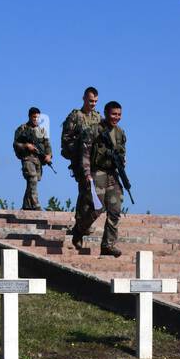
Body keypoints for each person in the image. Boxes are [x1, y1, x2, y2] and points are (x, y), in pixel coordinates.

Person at [72, 101, 127, 256]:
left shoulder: (120, 133)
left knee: (115, 210)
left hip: (112, 174)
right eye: (113, 114)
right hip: (97, 172)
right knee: (96, 209)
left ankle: (108, 245)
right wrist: (87, 174)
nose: (116, 117)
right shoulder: (94, 130)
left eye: (119, 114)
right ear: (106, 113)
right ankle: (79, 229)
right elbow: (85, 154)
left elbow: (121, 153)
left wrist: (122, 161)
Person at [60, 87, 102, 248]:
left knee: (91, 192)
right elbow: (65, 140)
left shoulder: (98, 117)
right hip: (79, 160)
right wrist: (77, 150)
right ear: (84, 98)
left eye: (96, 102)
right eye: (91, 101)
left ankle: (82, 223)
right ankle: (81, 224)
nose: (93, 104)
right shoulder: (75, 116)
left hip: (95, 161)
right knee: (85, 189)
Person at [12, 107, 52, 210]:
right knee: (32, 179)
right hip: (27, 158)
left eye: (38, 117)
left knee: (33, 182)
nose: (36, 119)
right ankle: (36, 205)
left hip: (38, 160)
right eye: (34, 117)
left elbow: (47, 145)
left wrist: (49, 155)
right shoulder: (22, 129)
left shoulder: (42, 130)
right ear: (30, 116)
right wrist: (26, 146)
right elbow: (16, 144)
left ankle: (26, 206)